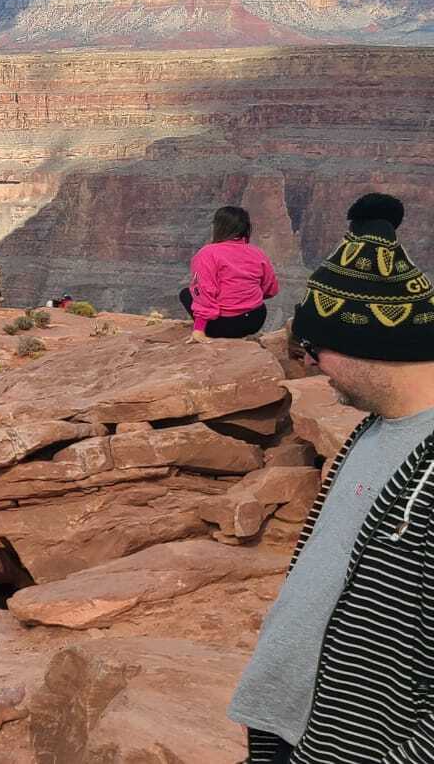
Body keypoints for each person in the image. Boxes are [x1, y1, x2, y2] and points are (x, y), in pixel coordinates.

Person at [230, 192, 434, 763]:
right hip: (293, 728)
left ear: (367, 345)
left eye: (312, 347)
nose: (308, 362)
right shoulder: (372, 431)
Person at [182, 206, 279, 341]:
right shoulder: (257, 253)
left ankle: (206, 330)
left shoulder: (207, 253)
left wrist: (199, 330)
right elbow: (271, 289)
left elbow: (203, 291)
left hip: (224, 325)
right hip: (255, 319)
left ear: (218, 227)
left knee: (186, 293)